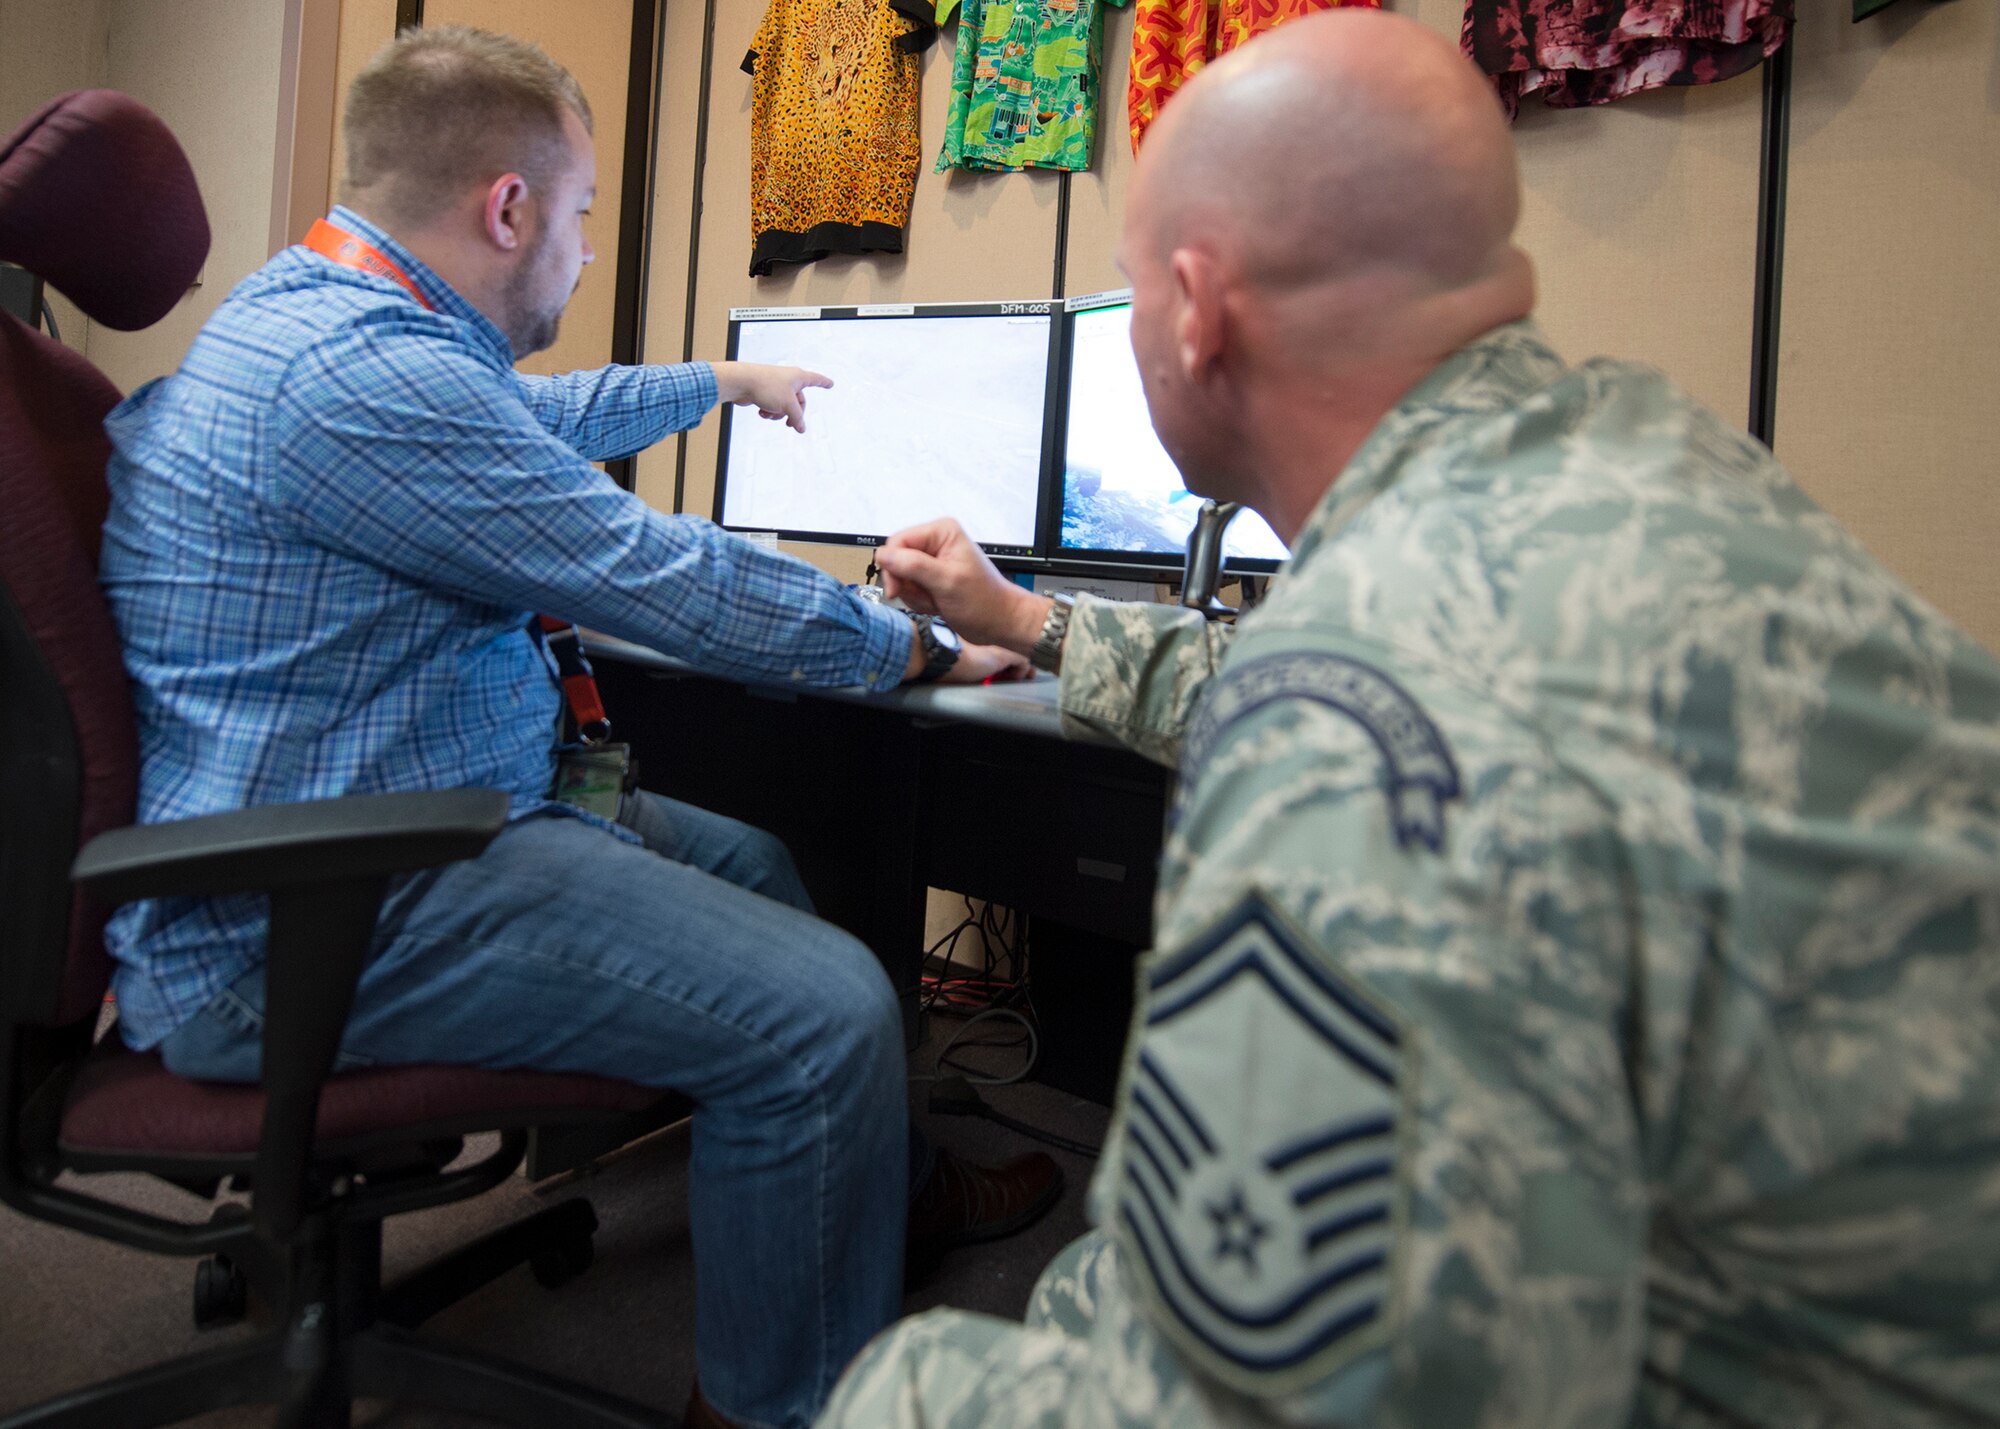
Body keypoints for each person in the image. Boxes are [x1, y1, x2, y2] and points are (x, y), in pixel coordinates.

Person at [818, 9, 2000, 1427]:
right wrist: (1030, 621)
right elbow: (1409, 689)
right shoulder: (1644, 467)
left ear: (1195, 308)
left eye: (1130, 290)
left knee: (940, 1366)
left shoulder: (1354, 716)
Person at [98, 25, 1059, 1429]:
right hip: (317, 902)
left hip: (362, 822)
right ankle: (771, 1405)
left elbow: (528, 420)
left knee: (756, 864)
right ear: (509, 207)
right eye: (589, 213)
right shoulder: (368, 383)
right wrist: (923, 642)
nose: (590, 246)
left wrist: (722, 385)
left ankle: (886, 1194)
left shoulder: (317, 318)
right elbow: (663, 575)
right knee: (825, 1011)